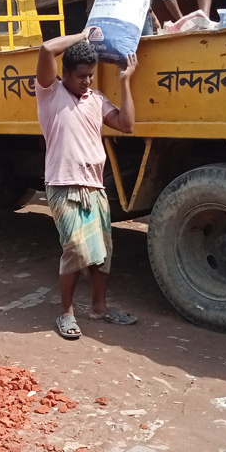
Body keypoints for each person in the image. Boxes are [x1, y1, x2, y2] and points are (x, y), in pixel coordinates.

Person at [36, 29, 138, 340]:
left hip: (94, 187)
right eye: (81, 76)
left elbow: (127, 125)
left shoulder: (97, 100)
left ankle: (99, 308)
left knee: (102, 253)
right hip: (63, 186)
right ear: (64, 73)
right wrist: (82, 36)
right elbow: (46, 49)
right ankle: (66, 312)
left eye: (91, 76)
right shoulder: (50, 93)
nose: (87, 82)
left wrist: (124, 81)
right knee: (77, 249)